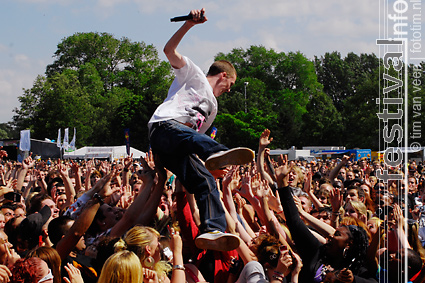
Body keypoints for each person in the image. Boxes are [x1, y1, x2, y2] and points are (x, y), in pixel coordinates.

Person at [148, 8, 254, 251]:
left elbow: (194, 140)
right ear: (224, 75)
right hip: (164, 128)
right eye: (231, 84)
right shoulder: (193, 74)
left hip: (176, 148)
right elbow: (169, 51)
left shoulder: (213, 109)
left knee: (205, 182)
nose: (230, 89)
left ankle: (213, 229)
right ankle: (216, 152)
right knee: (189, 135)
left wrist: (205, 166)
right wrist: (188, 24)